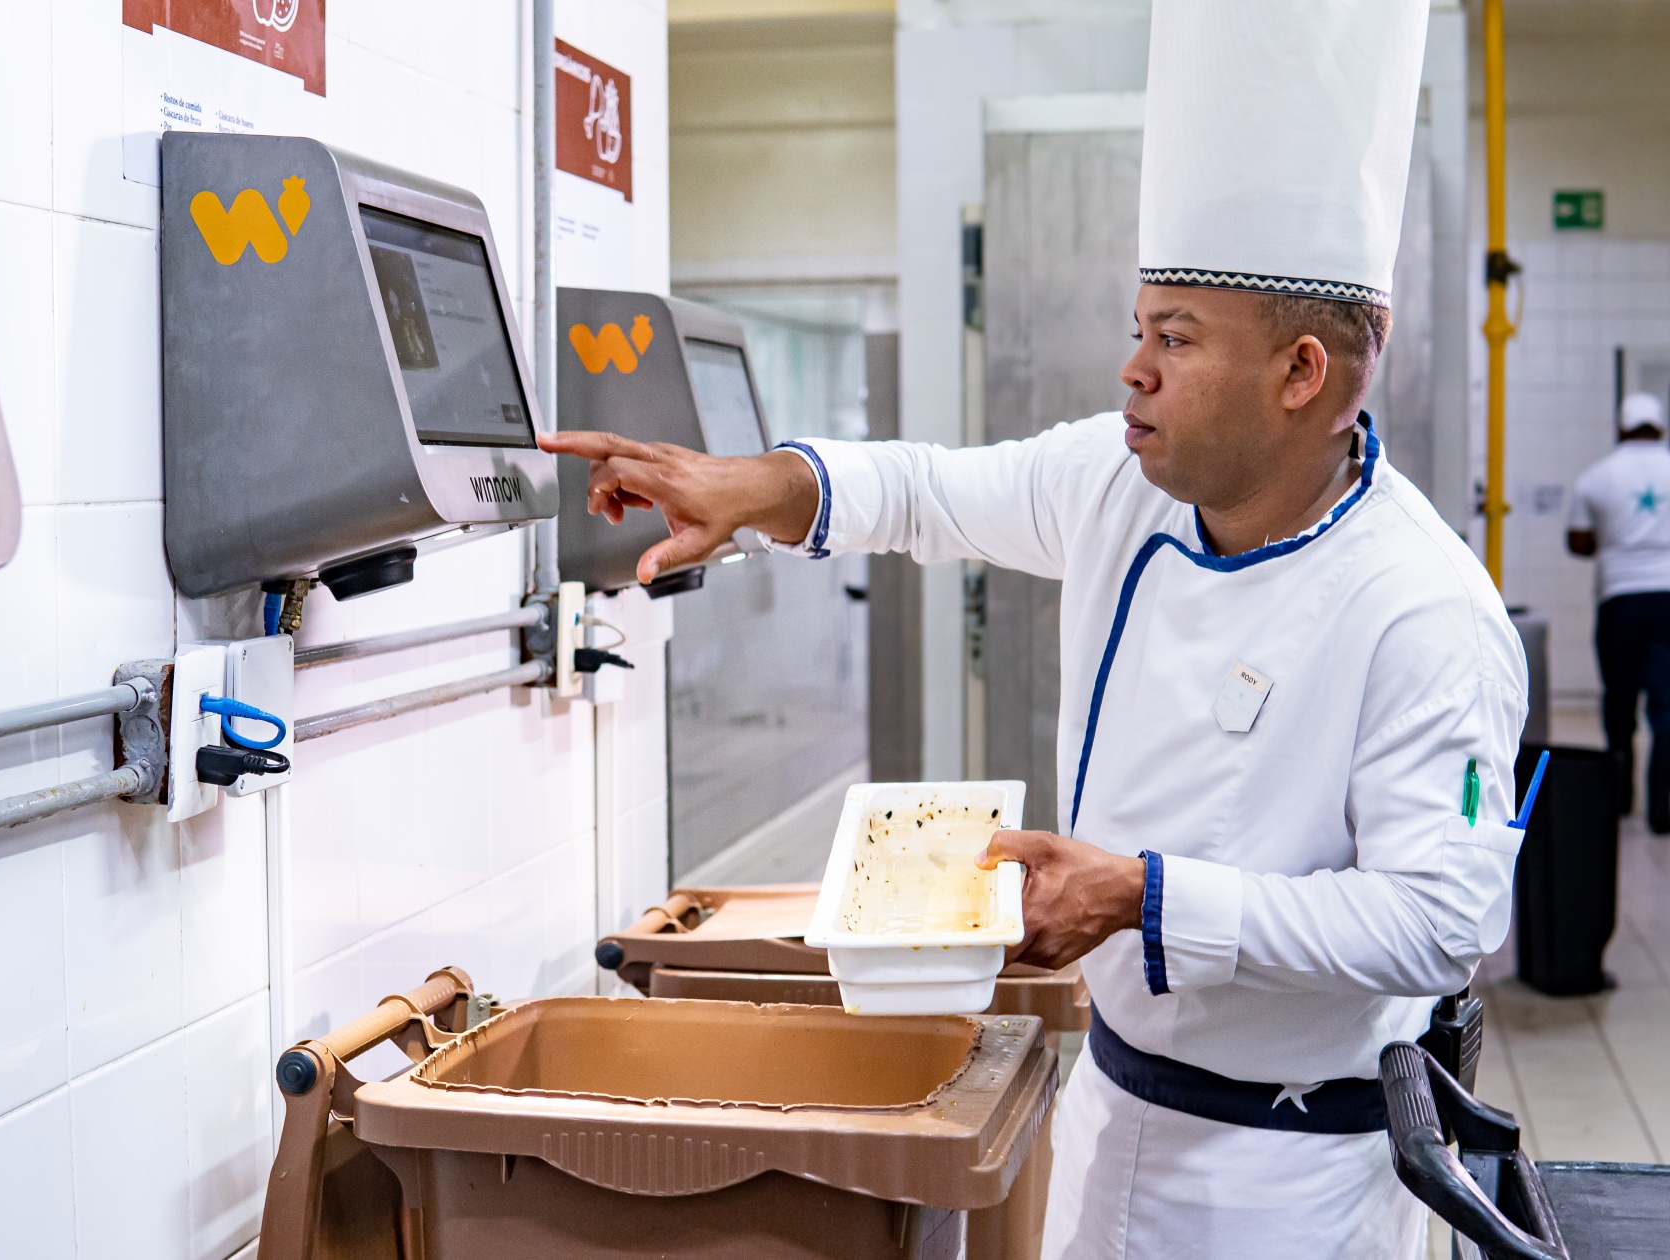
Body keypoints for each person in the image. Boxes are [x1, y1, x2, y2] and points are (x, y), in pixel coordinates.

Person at [540, 3, 1524, 1257]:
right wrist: (748, 488)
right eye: (1136, 331)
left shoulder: (1422, 609)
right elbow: (928, 491)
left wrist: (1143, 898)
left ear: (1300, 374)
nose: (1132, 371)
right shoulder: (1116, 482)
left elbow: (1438, 922)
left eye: (1173, 339)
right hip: (1110, 1111)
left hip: (1290, 1185)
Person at [1568, 391, 1670, 830]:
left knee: (1620, 700)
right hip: (1668, 600)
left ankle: (1620, 800)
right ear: (1659, 427)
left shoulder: (1596, 477)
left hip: (1620, 600)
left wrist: (1614, 541)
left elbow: (1578, 541)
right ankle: (1661, 810)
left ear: (1622, 427)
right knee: (1666, 707)